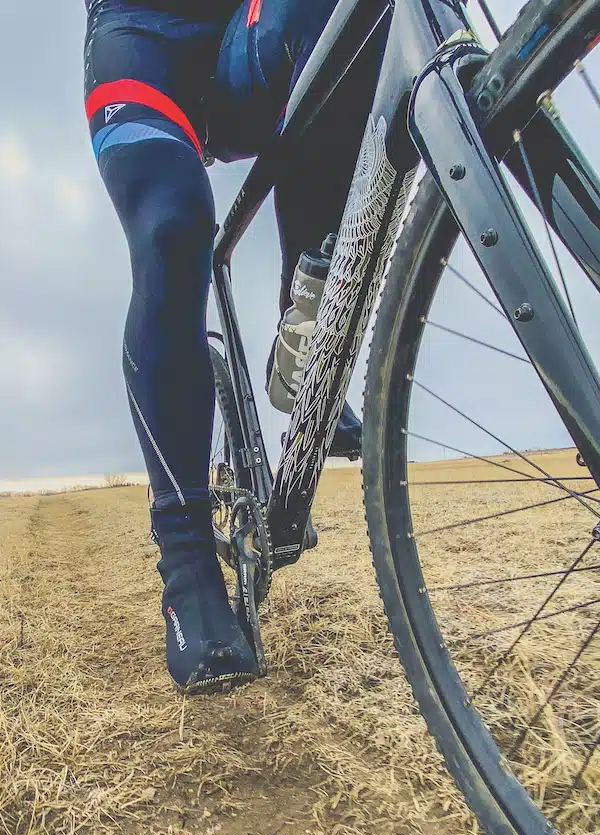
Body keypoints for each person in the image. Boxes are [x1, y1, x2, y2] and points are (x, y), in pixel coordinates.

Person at [83, 0, 381, 694]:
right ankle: (187, 565)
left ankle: (309, 321)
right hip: (141, 40)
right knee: (171, 231)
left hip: (251, 29)